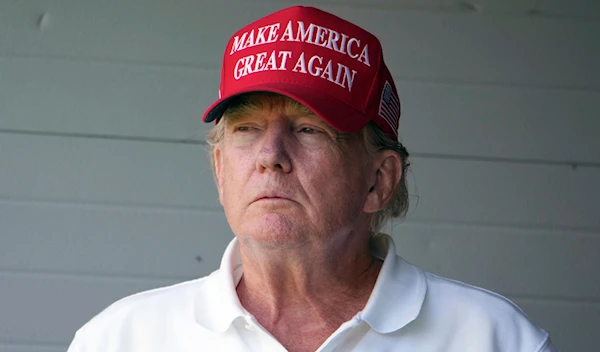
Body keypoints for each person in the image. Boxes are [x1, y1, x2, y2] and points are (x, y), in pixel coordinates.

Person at [68, 6, 557, 352]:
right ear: (220, 171)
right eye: (247, 129)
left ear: (379, 180)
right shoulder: (121, 338)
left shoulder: (494, 339)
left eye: (308, 129)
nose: (271, 156)